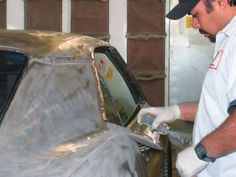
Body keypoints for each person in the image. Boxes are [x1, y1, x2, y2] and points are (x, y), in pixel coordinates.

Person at [137, 0, 236, 176]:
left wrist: (202, 153)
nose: (195, 24)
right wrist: (175, 111)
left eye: (196, 15)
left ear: (220, 2)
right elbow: (220, 105)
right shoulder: (226, 39)